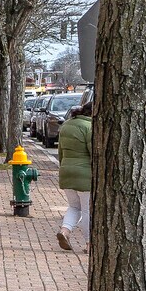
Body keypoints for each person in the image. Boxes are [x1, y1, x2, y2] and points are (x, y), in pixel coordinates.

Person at [55, 99, 93, 251]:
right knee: (87, 210)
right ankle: (90, 243)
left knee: (73, 206)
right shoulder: (89, 127)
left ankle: (65, 231)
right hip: (84, 173)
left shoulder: (66, 125)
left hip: (66, 171)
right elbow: (93, 153)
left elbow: (60, 152)